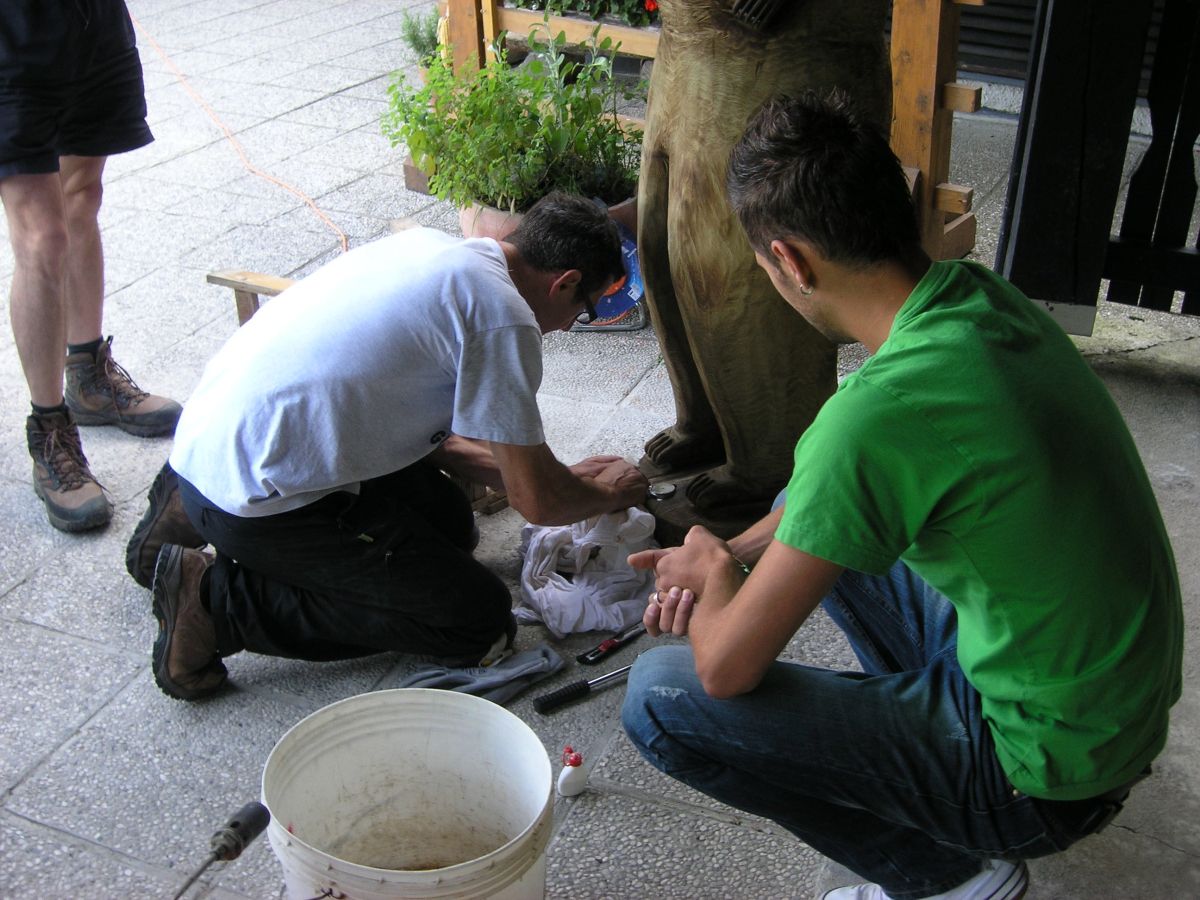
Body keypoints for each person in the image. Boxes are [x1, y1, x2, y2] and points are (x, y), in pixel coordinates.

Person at [622, 92, 1182, 900]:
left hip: (1042, 779)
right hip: (1105, 713)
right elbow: (824, 501)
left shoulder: (874, 417)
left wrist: (711, 574)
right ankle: (922, 756)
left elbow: (723, 669)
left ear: (791, 262)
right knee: (812, 492)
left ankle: (948, 875)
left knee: (660, 699)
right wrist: (735, 552)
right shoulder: (981, 300)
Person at [132, 192, 650, 701]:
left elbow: (436, 439)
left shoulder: (433, 248)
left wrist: (554, 477)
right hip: (254, 493)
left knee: (449, 525)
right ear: (566, 282)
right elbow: (539, 503)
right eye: (583, 310)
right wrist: (607, 494)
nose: (569, 325)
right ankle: (216, 603)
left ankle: (185, 507)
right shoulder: (502, 317)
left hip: (215, 438)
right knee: (474, 621)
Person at [0, 0, 183, 533]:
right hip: (12, 35)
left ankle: (87, 379)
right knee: (43, 237)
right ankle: (50, 431)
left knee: (82, 196)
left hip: (91, 23)